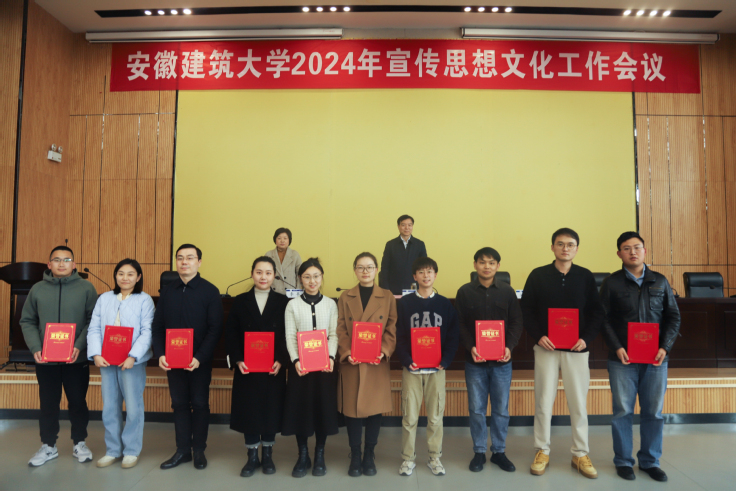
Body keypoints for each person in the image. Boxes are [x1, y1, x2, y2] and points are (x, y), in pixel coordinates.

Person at [520, 228, 604, 479]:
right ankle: (542, 450)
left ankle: (580, 453)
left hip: (576, 349)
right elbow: (526, 310)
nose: (565, 248)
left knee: (578, 403)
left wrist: (585, 338)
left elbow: (596, 312)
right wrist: (539, 336)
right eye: (560, 244)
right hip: (546, 348)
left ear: (576, 248)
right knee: (543, 401)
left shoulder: (585, 276)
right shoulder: (538, 275)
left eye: (570, 244)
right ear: (552, 247)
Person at [600, 232, 681, 482]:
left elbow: (673, 317)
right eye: (627, 248)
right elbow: (602, 320)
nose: (633, 252)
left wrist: (665, 347)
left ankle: (650, 461)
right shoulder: (611, 283)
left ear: (645, 251)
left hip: (655, 359)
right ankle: (623, 461)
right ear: (619, 254)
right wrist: (616, 347)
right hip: (622, 359)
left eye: (637, 247)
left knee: (653, 412)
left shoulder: (660, 281)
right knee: (622, 411)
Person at [21, 245, 98, 467]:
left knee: (78, 402)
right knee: (48, 404)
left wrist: (79, 345)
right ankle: (48, 446)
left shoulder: (86, 288)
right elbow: (27, 320)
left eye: (66, 260)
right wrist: (35, 347)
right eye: (57, 260)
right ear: (49, 264)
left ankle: (80, 443)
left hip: (76, 359)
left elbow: (94, 320)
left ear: (74, 264)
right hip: (46, 360)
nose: (61, 264)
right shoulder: (37, 289)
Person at [152, 244, 224, 470]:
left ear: (199, 262)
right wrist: (160, 353)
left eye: (190, 258)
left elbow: (215, 329)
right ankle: (182, 450)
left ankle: (199, 450)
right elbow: (157, 326)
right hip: (172, 361)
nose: (184, 262)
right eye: (180, 258)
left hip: (199, 361)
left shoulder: (210, 291)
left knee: (200, 403)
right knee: (179, 404)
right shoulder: (168, 292)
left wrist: (200, 357)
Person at [455, 247, 523, 474]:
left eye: (491, 262)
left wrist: (509, 346)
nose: (487, 266)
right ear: (475, 264)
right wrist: (471, 346)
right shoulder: (464, 292)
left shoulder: (507, 292)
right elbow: (459, 324)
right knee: (476, 409)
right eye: (482, 262)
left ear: (498, 266)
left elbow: (516, 322)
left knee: (501, 409)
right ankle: (479, 451)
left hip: (502, 362)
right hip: (475, 361)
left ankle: (499, 451)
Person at [395, 257, 460, 476]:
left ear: (435, 275)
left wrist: (446, 360)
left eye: (430, 271)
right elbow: (399, 336)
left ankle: (434, 457)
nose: (426, 275)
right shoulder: (404, 304)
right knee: (409, 417)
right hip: (412, 369)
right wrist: (406, 360)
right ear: (414, 276)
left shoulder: (445, 305)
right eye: (421, 272)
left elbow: (452, 336)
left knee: (435, 417)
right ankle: (408, 459)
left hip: (437, 370)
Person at [87, 259, 154, 469]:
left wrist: (133, 356)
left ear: (138, 277)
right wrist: (96, 354)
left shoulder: (144, 300)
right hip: (106, 360)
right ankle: (113, 450)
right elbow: (94, 328)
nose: (125, 278)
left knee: (133, 408)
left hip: (132, 362)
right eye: (121, 273)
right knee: (109, 407)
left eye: (130, 274)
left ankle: (131, 450)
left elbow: (147, 331)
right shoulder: (104, 298)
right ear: (115, 276)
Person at [225, 256, 289, 477]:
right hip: (248, 367)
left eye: (268, 273)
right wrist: (238, 359)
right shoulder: (240, 301)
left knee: (271, 410)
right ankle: (252, 456)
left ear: (274, 276)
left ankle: (268, 455)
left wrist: (281, 359)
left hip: (273, 367)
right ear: (252, 273)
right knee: (249, 411)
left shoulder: (283, 302)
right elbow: (231, 333)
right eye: (259, 272)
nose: (263, 277)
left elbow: (288, 335)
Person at [337, 252, 397, 477]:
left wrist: (383, 351)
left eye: (369, 267)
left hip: (376, 361)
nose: (365, 271)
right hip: (352, 361)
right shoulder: (345, 296)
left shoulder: (387, 296)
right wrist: (347, 352)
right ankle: (355, 454)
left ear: (376, 270)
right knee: (352, 410)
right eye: (360, 267)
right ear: (355, 270)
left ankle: (369, 454)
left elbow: (391, 327)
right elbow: (340, 328)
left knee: (374, 410)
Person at [282, 257, 339, 478]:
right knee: (301, 411)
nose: (312, 281)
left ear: (322, 278)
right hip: (301, 369)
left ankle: (320, 454)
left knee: (323, 410)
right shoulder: (292, 305)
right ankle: (303, 454)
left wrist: (331, 357)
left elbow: (333, 334)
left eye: (316, 276)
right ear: (300, 279)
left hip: (325, 368)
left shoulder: (330, 304)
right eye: (307, 277)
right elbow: (290, 336)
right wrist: (296, 360)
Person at [379, 215, 427, 295]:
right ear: (398, 226)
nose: (407, 228)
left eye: (409, 225)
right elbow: (385, 268)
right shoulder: (390, 245)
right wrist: (386, 289)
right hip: (393, 288)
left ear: (412, 226)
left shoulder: (420, 244)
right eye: (403, 225)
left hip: (414, 287)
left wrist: (423, 287)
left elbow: (424, 267)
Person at [265, 227, 303, 295]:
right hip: (273, 292)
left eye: (285, 238)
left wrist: (298, 291)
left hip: (291, 293)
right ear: (275, 240)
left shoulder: (295, 254)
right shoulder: (269, 254)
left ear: (289, 240)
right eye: (279, 238)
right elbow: (265, 274)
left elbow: (300, 274)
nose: (282, 241)